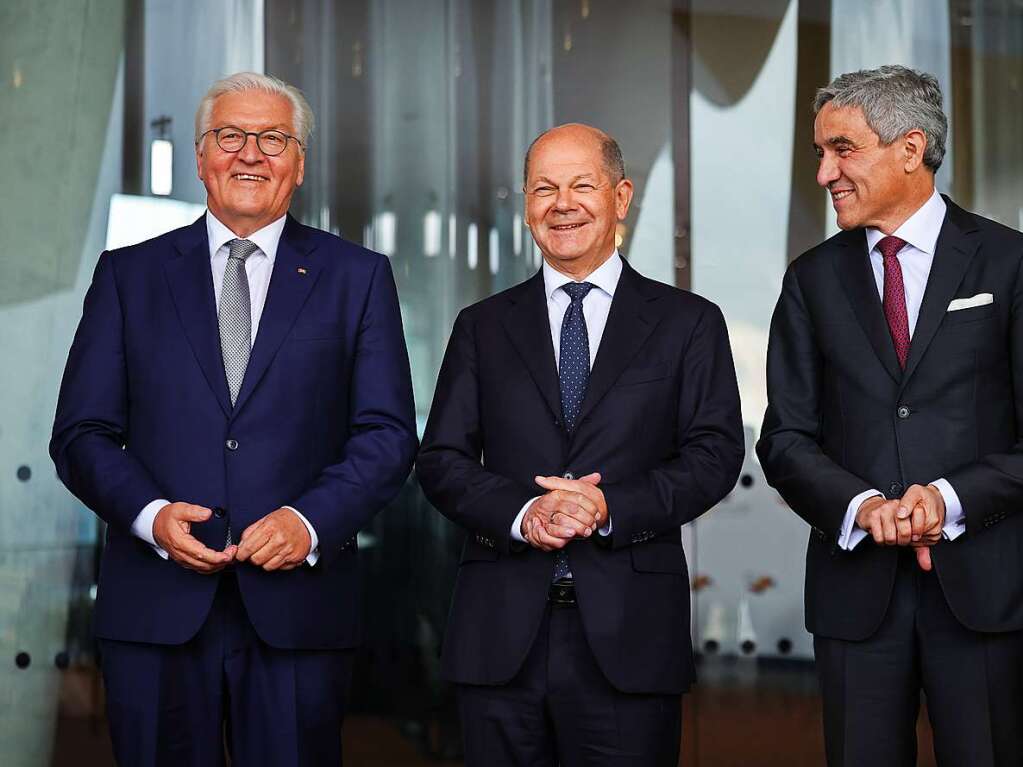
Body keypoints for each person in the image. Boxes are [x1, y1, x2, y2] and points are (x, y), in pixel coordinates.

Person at [50, 72, 417, 766]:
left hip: (298, 609)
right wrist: (151, 514)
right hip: (156, 609)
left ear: (299, 162)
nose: (251, 153)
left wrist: (308, 522)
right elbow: (81, 433)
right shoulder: (128, 275)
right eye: (231, 136)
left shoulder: (356, 276)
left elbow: (388, 433)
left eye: (274, 138)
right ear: (200, 155)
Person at [416, 122, 743, 765]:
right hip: (500, 634)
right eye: (543, 189)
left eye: (581, 186)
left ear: (621, 197)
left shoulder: (687, 323)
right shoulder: (481, 326)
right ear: (527, 205)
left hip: (630, 632)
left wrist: (608, 507)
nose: (562, 204)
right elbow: (441, 460)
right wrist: (522, 511)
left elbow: (714, 455)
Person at [757, 65, 1023, 766]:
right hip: (855, 599)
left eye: (841, 149)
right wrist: (863, 504)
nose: (823, 173)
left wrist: (946, 499)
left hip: (986, 591)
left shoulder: (1010, 263)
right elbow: (784, 437)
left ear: (910, 149)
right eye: (819, 152)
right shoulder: (810, 279)